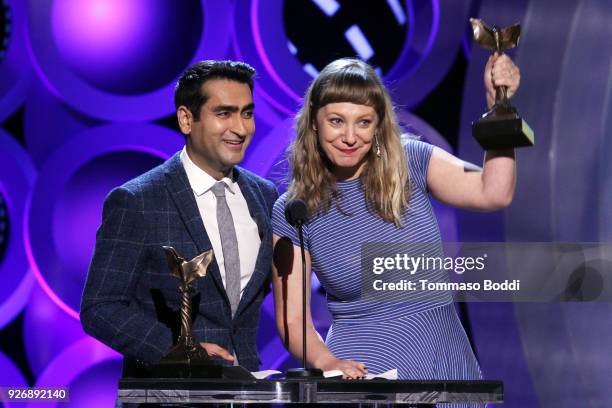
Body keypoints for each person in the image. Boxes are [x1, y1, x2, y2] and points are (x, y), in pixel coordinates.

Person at [271, 55, 519, 386]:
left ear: (379, 125)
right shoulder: (294, 210)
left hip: (442, 364)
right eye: (336, 121)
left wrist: (498, 107)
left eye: (363, 122)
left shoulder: (411, 161)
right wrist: (327, 362)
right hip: (362, 375)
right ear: (314, 123)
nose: (349, 137)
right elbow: (293, 318)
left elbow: (494, 192)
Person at [81, 60, 278, 375]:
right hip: (169, 391)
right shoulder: (138, 200)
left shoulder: (265, 196)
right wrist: (178, 348)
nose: (240, 129)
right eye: (224, 113)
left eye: (247, 113)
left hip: (245, 391)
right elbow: (100, 308)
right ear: (187, 119)